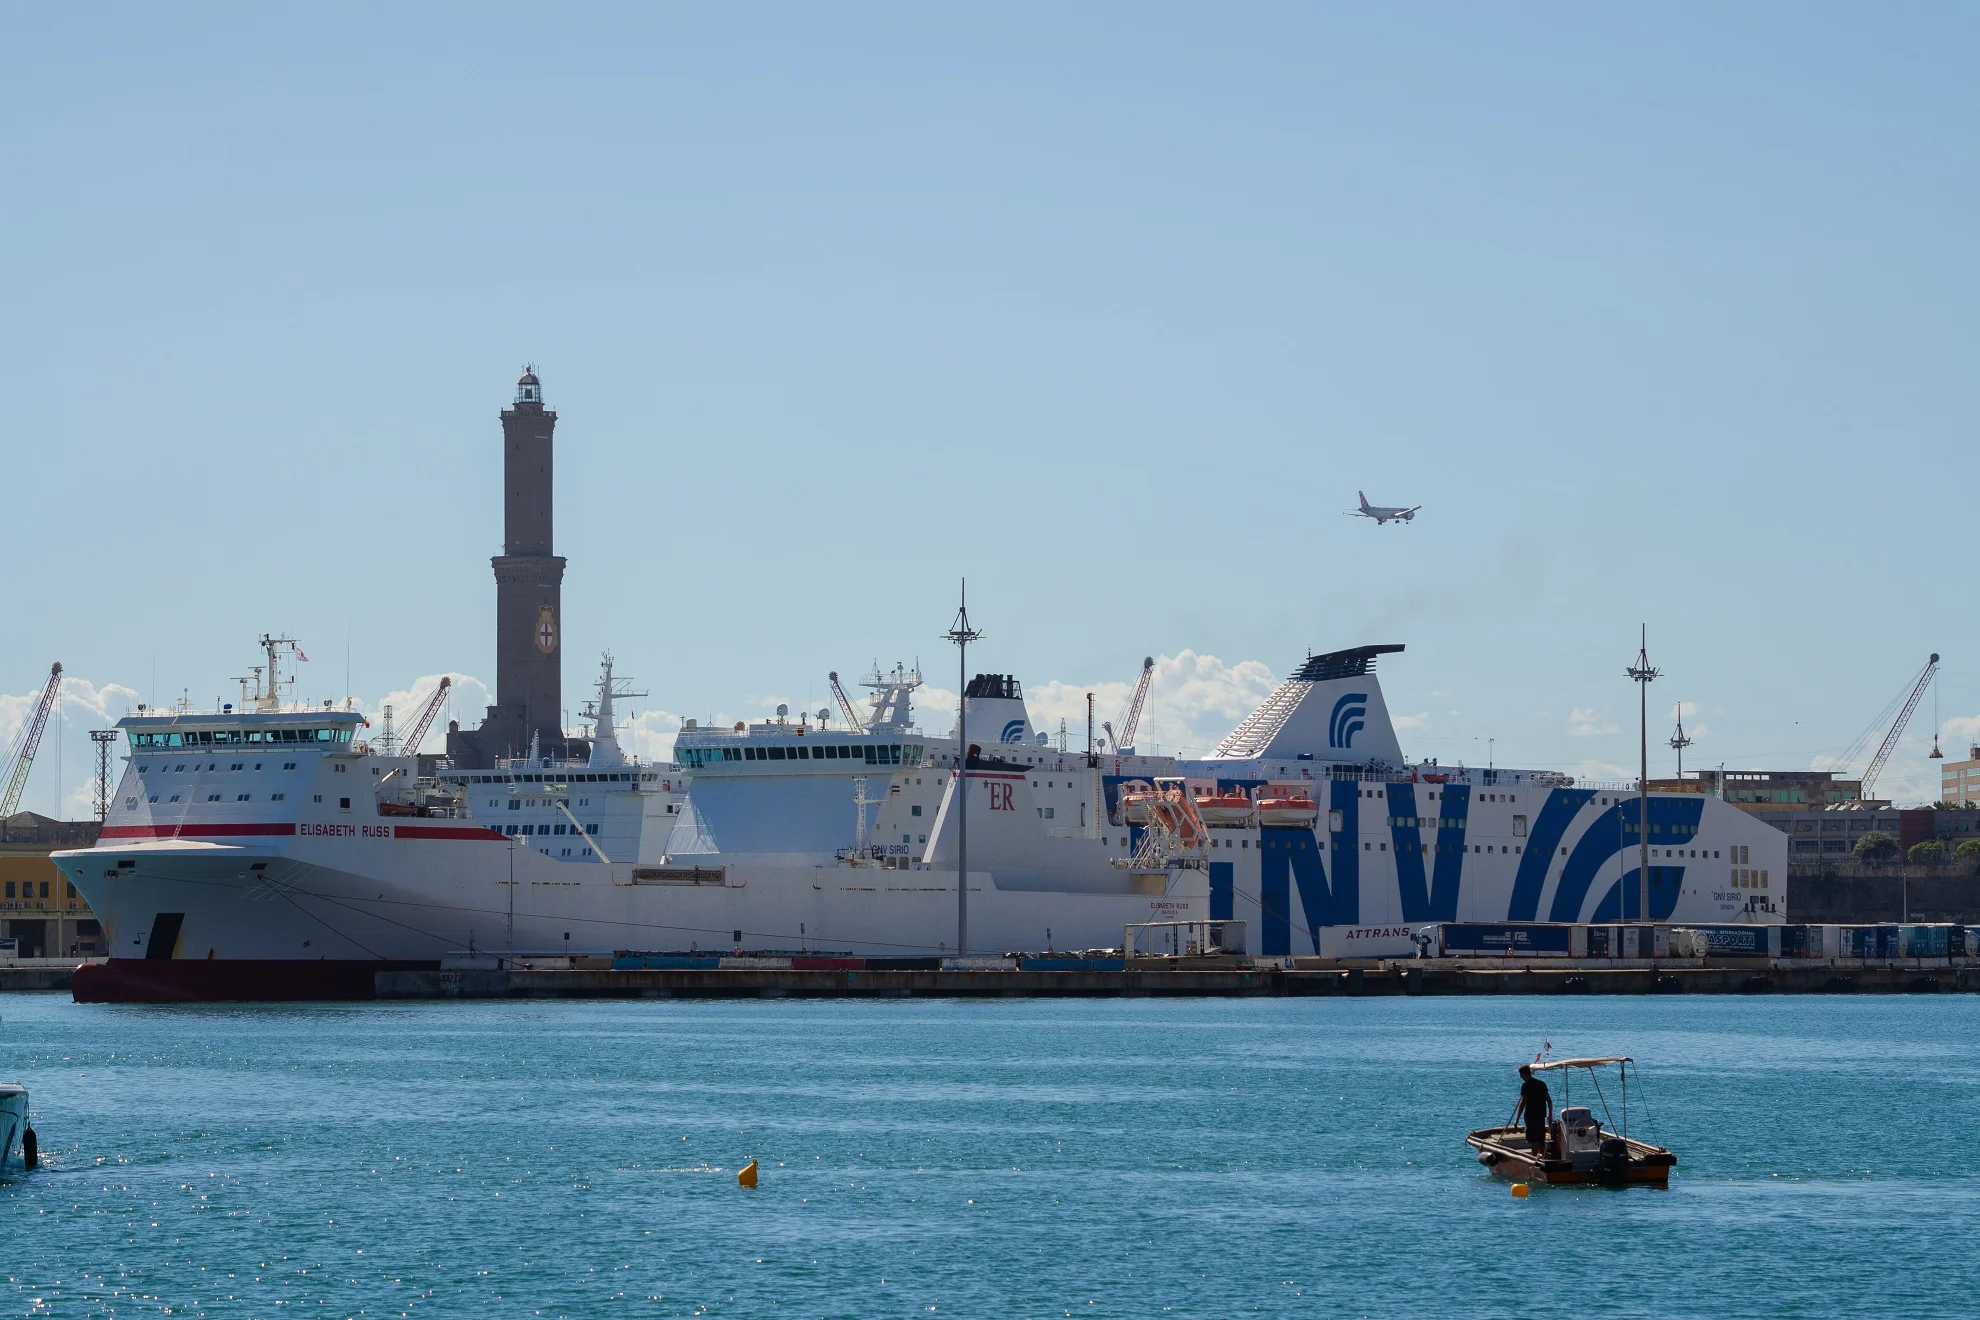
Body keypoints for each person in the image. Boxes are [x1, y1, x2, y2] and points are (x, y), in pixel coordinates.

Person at [1514, 1064, 1553, 1156]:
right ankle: (1543, 1158)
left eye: (1521, 1075)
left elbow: (1523, 1103)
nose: (1520, 1077)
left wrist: (1516, 1120)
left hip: (1530, 1116)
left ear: (1524, 1074)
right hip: (1541, 1115)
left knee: (1533, 1140)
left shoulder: (1526, 1085)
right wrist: (1550, 1114)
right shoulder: (1541, 1083)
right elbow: (1549, 1101)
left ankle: (1535, 1159)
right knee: (1541, 1139)